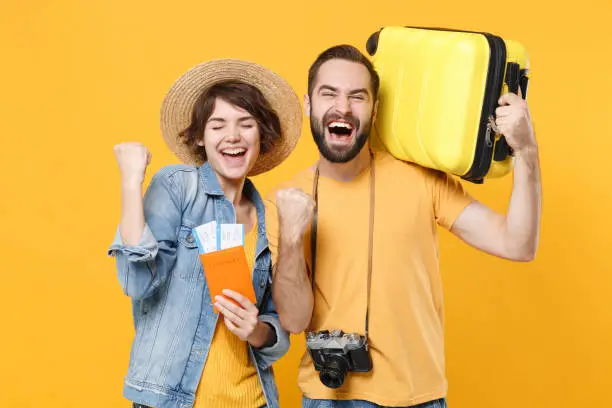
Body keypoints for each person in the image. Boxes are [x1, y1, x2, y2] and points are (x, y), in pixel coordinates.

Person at [264, 45, 542, 408]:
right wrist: (290, 234)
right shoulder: (284, 199)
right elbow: (294, 318)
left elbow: (517, 244)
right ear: (308, 104)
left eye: (357, 96)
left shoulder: (419, 178)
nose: (342, 107)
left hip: (419, 397)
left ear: (375, 110)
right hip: (329, 396)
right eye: (328, 93)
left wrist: (526, 151)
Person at [107, 58, 302, 408]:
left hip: (253, 399)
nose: (233, 136)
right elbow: (136, 282)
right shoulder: (179, 186)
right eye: (217, 125)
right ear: (199, 136)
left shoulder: (271, 214)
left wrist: (256, 330)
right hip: (172, 400)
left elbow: (279, 323)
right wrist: (130, 182)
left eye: (246, 124)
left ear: (262, 136)